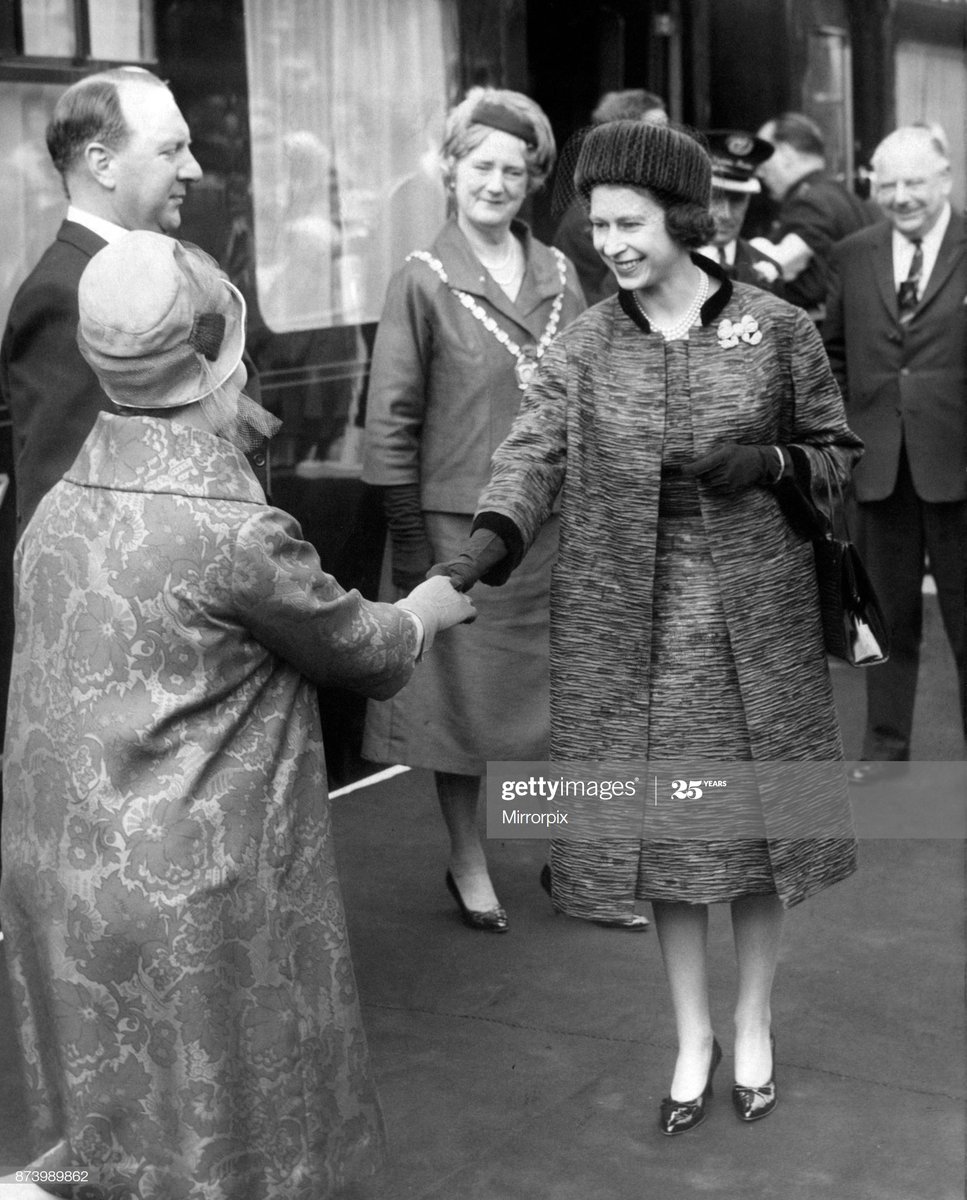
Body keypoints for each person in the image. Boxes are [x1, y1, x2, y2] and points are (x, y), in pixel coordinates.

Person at [0, 231, 475, 1198]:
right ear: (219, 352)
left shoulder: (56, 508)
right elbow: (365, 650)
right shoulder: (234, 530)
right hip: (195, 886)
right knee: (236, 1124)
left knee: (108, 1128)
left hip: (61, 869)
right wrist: (427, 606)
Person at [434, 119, 862, 1132]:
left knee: (755, 833)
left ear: (683, 218)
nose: (610, 242)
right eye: (597, 224)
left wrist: (773, 464)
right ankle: (690, 1036)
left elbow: (836, 455)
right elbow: (532, 453)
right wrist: (487, 542)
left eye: (628, 222)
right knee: (664, 834)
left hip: (754, 620)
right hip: (630, 623)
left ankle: (751, 1022)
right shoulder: (583, 343)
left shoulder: (776, 327)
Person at [361, 87, 586, 933]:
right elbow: (389, 425)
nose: (497, 183)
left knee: (561, 701)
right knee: (459, 712)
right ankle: (467, 859)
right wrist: (417, 552)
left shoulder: (565, 274)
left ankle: (571, 858)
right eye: (480, 165)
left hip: (556, 528)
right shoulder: (419, 281)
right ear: (450, 172)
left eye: (515, 169)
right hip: (457, 535)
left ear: (533, 180)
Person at [0, 67, 203, 535]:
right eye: (171, 149)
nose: (193, 168)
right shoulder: (63, 297)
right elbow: (62, 516)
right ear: (102, 163)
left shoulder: (159, 265)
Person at [824, 125, 967, 783]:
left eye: (915, 182)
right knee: (885, 617)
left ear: (944, 179)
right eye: (888, 184)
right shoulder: (853, 254)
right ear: (870, 185)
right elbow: (834, 353)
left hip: (958, 466)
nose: (902, 196)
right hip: (878, 465)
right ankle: (884, 751)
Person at [751, 112, 877, 321]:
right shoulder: (844, 197)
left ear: (785, 154)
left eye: (763, 160)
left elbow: (801, 276)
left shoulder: (809, 202)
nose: (759, 172)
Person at [553, 89, 668, 304]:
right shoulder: (585, 219)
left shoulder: (662, 198)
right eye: (656, 134)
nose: (668, 143)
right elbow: (595, 305)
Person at [697, 130, 784, 295]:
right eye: (716, 197)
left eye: (737, 200)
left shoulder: (768, 269)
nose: (726, 214)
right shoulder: (669, 264)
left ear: (748, 201)